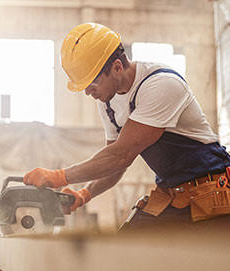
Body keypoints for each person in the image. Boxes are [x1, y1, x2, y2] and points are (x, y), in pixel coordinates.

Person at [23, 22, 230, 226]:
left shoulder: (161, 85)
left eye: (92, 84)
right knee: (125, 254)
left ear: (117, 67)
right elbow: (111, 163)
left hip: (211, 192)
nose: (87, 92)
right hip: (173, 195)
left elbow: (119, 156)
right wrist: (84, 194)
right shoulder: (107, 101)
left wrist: (59, 177)